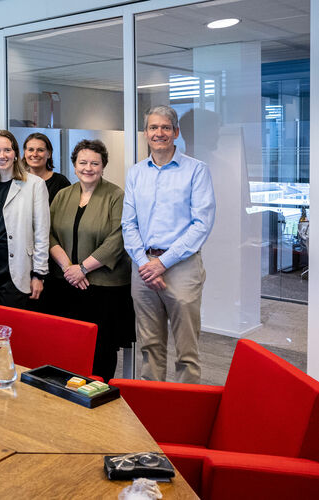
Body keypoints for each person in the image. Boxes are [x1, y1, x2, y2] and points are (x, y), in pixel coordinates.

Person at [122, 105, 216, 383]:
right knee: (149, 347)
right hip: (143, 268)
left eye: (165, 127)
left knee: (186, 351)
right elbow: (128, 223)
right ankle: (151, 410)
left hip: (182, 267)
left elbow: (202, 225)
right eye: (153, 127)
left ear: (176, 132)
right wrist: (144, 263)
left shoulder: (196, 170)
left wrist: (162, 263)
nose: (159, 133)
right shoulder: (136, 173)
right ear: (146, 133)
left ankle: (186, 413)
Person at [47, 139, 134, 382]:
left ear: (103, 165)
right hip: (65, 284)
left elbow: (118, 238)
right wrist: (68, 268)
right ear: (74, 165)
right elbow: (48, 233)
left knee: (102, 348)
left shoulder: (116, 195)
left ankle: (98, 393)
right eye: (83, 162)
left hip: (104, 288)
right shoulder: (63, 195)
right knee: (68, 344)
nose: (88, 167)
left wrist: (83, 268)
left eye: (95, 163)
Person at [0, 130, 49, 336]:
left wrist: (39, 274)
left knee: (11, 333)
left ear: (15, 153)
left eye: (7, 149)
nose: (1, 155)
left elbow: (41, 233)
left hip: (17, 270)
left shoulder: (35, 185)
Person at [22, 132, 69, 204]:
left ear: (49, 154)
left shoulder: (61, 182)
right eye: (31, 150)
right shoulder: (18, 181)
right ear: (25, 153)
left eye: (40, 150)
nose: (35, 154)